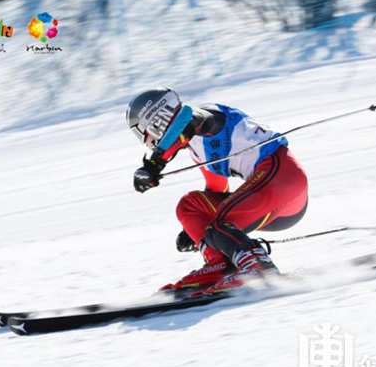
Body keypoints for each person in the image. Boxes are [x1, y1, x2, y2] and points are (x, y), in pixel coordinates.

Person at [126, 87, 308, 296]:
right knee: (190, 206)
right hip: (271, 203)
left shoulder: (206, 116)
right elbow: (217, 189)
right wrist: (197, 231)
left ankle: (260, 268)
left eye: (142, 133)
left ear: (156, 121)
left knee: (219, 226)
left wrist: (156, 162)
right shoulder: (197, 149)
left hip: (283, 179)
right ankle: (222, 265)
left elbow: (188, 118)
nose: (147, 142)